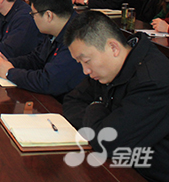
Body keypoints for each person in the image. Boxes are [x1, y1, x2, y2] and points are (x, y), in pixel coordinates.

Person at [62, 11, 169, 181]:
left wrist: (95, 107)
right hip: (118, 164)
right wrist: (100, 123)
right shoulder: (107, 69)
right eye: (80, 63)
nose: (85, 71)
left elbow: (107, 142)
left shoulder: (153, 81)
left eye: (87, 61)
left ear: (113, 48)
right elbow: (71, 101)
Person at [0, 0, 85, 100]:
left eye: (33, 14)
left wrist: (10, 72)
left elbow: (48, 81)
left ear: (49, 15)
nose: (32, 18)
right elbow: (36, 59)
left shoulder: (77, 37)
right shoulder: (54, 31)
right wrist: (6, 63)